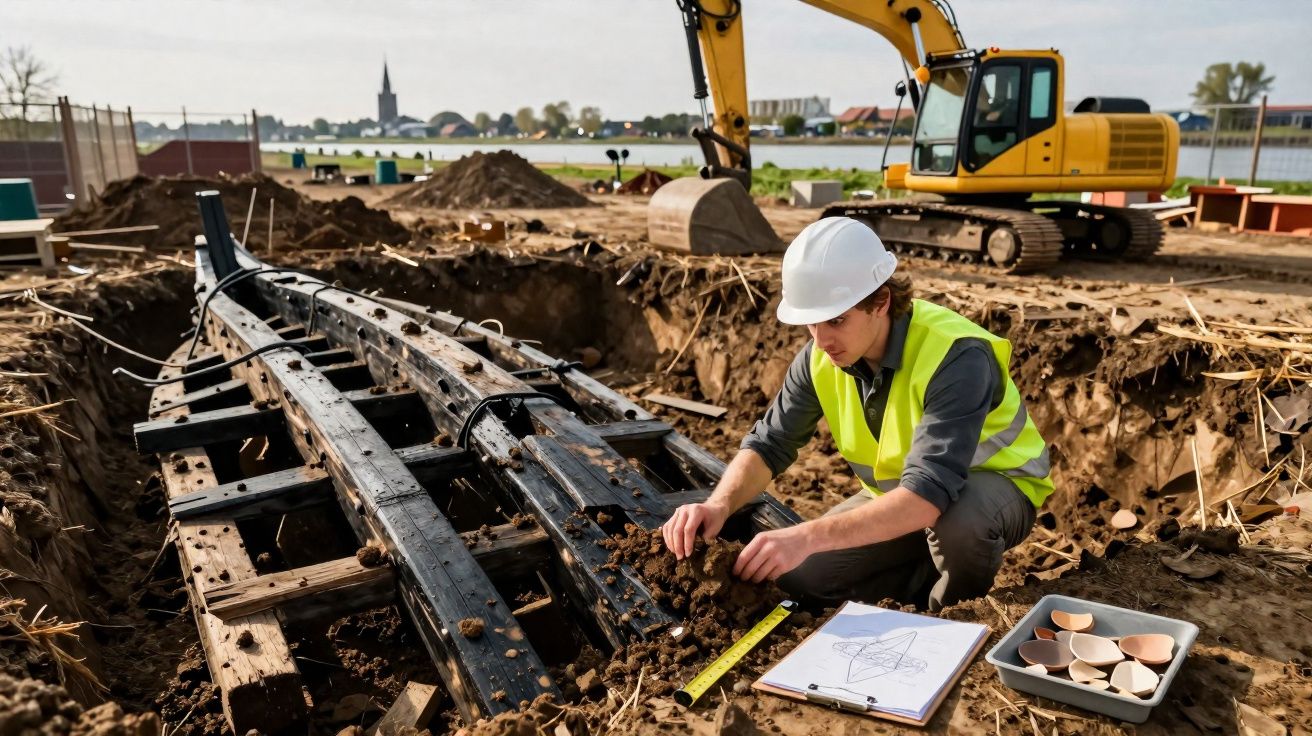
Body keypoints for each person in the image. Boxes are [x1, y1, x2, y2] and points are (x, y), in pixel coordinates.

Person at [661, 217, 1053, 611]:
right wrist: (719, 505)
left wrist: (808, 536)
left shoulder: (956, 355)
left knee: (959, 527)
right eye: (811, 322)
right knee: (801, 579)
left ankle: (956, 614)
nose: (821, 339)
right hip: (902, 499)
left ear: (881, 302)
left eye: (836, 320)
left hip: (994, 488)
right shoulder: (821, 356)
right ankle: (914, 574)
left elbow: (927, 495)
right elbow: (771, 443)